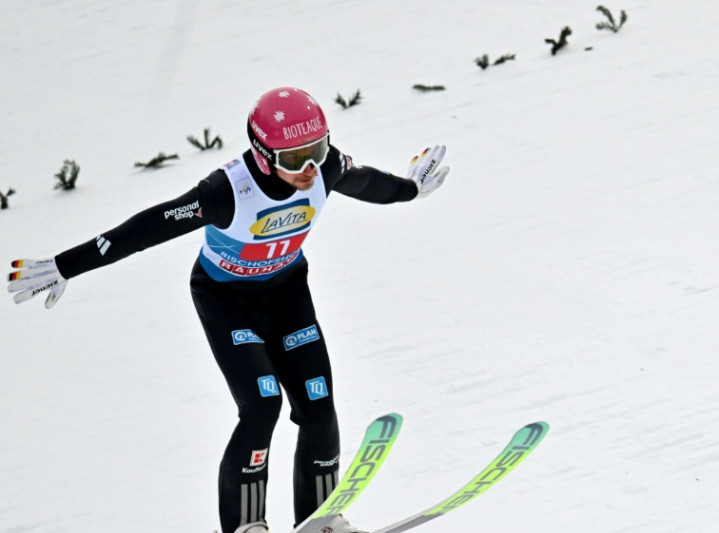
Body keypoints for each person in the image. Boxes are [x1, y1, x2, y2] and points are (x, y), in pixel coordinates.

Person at [7, 86, 449, 533]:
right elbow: (146, 228)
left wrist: (412, 189)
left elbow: (370, 183)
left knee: (318, 406)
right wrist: (66, 266)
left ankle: (322, 520)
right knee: (262, 405)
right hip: (226, 301)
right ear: (261, 153)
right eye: (295, 158)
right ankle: (246, 525)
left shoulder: (325, 168)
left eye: (317, 150)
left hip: (287, 294)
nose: (310, 168)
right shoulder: (226, 192)